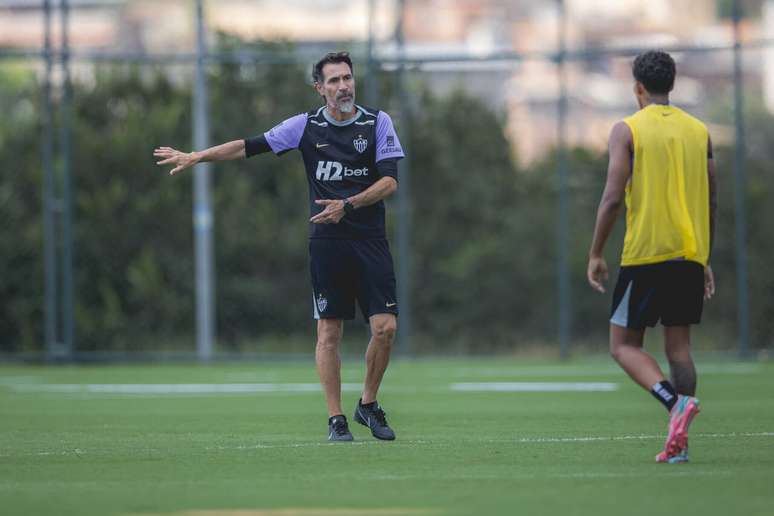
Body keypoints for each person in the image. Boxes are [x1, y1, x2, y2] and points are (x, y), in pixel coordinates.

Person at [154, 51, 404, 442]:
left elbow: (390, 182)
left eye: (347, 79)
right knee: (329, 333)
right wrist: (198, 156)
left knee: (385, 328)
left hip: (370, 240)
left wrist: (349, 204)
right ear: (319, 89)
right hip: (328, 243)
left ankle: (367, 404)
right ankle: (336, 418)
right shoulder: (305, 126)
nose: (343, 87)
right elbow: (248, 146)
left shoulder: (378, 122)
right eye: (334, 81)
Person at [587, 50, 717, 463]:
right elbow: (711, 201)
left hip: (646, 253)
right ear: (672, 85)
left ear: (637, 87)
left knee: (622, 345)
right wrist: (704, 255)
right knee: (679, 350)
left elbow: (611, 198)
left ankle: (672, 404)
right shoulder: (700, 132)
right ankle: (680, 442)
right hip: (690, 253)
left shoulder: (627, 129)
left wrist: (595, 252)